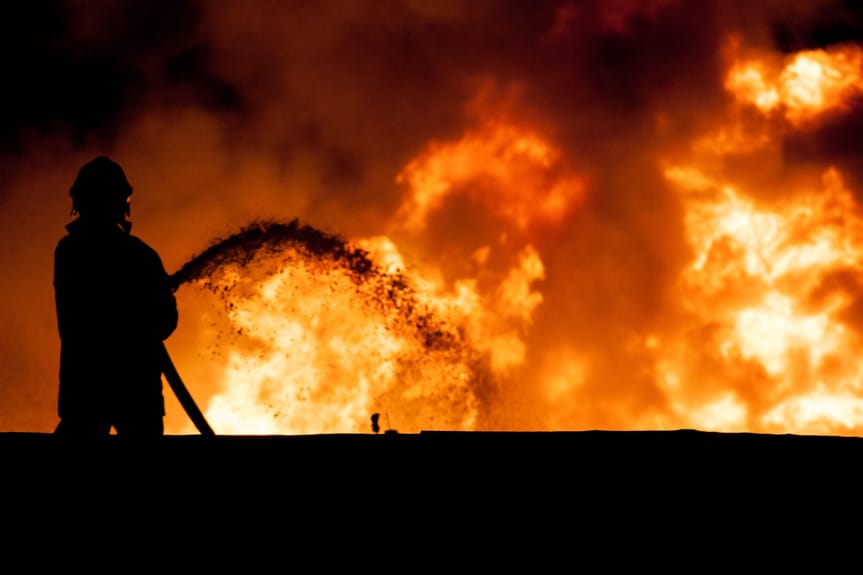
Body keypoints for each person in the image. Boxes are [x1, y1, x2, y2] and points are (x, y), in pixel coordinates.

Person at [54, 156, 178, 436]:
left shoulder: (68, 251)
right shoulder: (140, 255)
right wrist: (162, 297)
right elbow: (163, 324)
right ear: (122, 202)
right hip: (136, 392)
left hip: (84, 390)